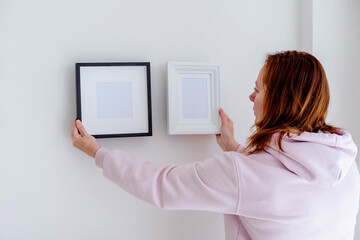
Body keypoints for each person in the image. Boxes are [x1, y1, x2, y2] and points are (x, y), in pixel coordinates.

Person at [71, 51, 360, 240]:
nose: (250, 97)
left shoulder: (242, 174)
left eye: (258, 89)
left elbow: (160, 184)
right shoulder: (343, 159)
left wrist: (98, 153)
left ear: (278, 100)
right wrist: (235, 148)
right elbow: (282, 183)